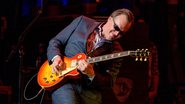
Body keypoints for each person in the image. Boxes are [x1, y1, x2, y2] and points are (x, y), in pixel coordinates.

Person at [47, 8, 134, 104]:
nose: (117, 33)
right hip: (64, 81)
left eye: (122, 33)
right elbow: (55, 41)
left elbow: (109, 83)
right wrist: (56, 58)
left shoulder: (117, 51)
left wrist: (91, 74)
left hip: (90, 94)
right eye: (116, 27)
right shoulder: (82, 22)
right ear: (109, 19)